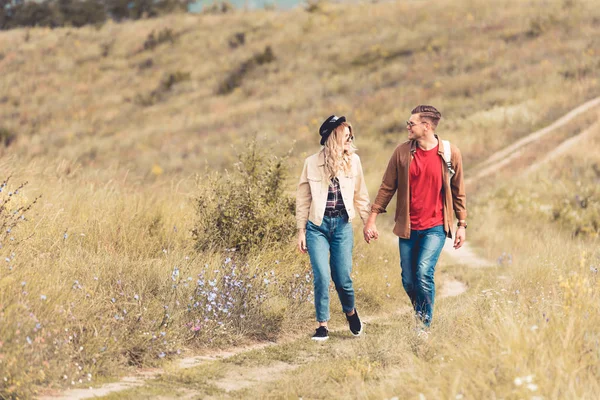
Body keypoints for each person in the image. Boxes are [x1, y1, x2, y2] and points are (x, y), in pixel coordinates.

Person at [363, 105, 467, 332]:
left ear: (426, 126)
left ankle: (423, 326)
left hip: (435, 227)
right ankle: (420, 310)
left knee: (423, 272)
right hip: (408, 228)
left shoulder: (450, 153)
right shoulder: (401, 153)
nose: (407, 127)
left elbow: (458, 191)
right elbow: (387, 188)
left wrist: (461, 224)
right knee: (409, 280)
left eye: (412, 123)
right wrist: (371, 220)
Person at [296, 115, 372, 341]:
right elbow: (303, 199)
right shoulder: (311, 163)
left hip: (342, 226)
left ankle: (350, 311)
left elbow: (361, 195)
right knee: (321, 275)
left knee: (342, 278)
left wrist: (368, 222)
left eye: (351, 137)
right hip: (317, 227)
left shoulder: (354, 161)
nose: (350, 140)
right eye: (345, 136)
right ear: (333, 138)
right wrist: (301, 231)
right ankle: (322, 325)